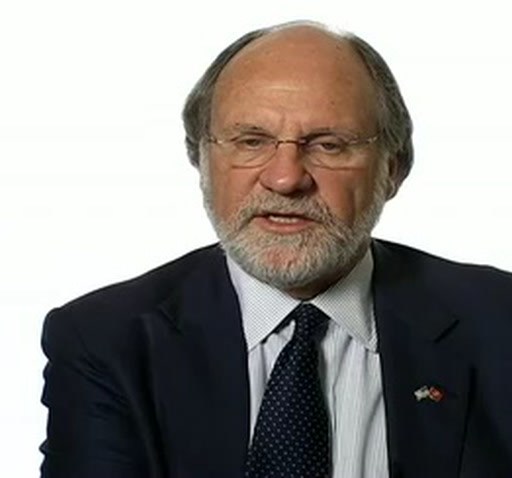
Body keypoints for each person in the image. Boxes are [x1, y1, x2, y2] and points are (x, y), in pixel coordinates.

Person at [39, 21, 512, 478]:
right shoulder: (105, 342)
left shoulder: (499, 322)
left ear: (394, 168)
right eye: (251, 141)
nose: (285, 178)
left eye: (329, 145)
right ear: (201, 160)